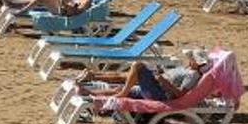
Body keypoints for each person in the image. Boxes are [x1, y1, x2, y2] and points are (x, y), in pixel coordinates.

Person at [77, 50, 209, 103]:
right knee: (124, 82)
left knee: (138, 65)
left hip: (160, 94)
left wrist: (163, 81)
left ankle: (122, 91)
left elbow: (180, 95)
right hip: (157, 87)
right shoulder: (187, 69)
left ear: (196, 63)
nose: (188, 59)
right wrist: (161, 74)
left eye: (191, 58)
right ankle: (88, 93)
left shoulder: (192, 75)